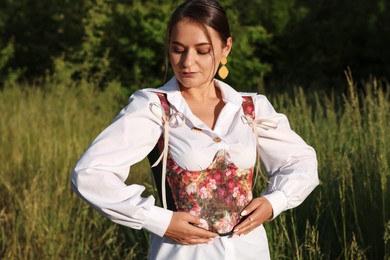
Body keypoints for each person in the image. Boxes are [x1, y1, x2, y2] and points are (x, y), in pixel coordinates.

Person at [70, 0, 319, 259]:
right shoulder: (155, 108)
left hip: (249, 251)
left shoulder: (250, 109)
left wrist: (274, 202)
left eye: (202, 51)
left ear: (226, 48)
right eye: (178, 49)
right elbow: (90, 174)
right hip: (182, 254)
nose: (188, 62)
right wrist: (158, 220)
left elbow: (302, 161)